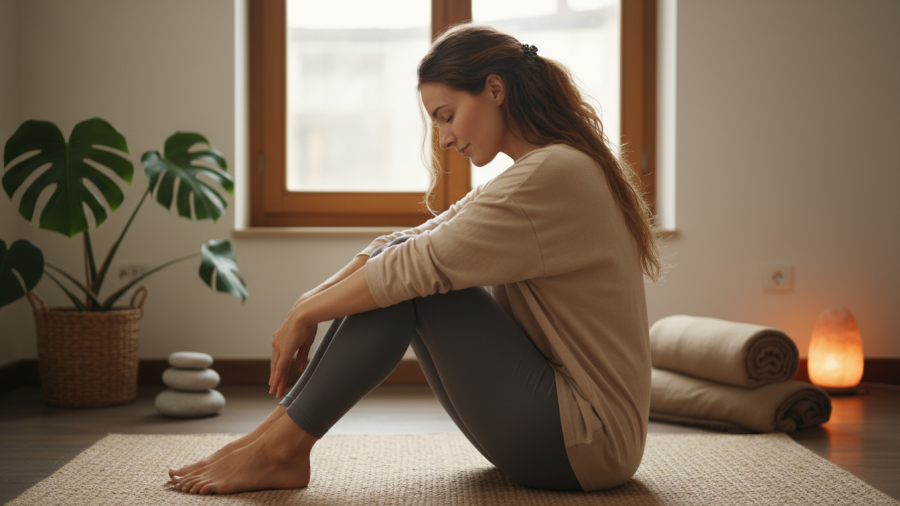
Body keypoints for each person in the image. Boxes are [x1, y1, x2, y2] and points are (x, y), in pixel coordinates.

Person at [169, 23, 661, 495]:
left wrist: (307, 313)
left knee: (415, 287)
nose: (443, 138)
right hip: (566, 434)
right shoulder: (542, 169)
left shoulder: (554, 173)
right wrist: (307, 301)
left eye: (447, 114)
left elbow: (413, 266)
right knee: (404, 268)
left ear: (494, 89)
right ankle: (275, 438)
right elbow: (403, 242)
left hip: (587, 443)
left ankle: (281, 450)